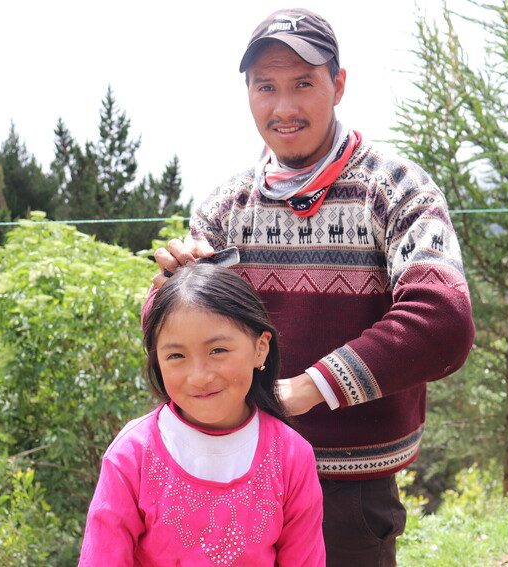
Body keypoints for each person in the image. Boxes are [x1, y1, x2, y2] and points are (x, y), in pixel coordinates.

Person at [152, 7, 476, 566]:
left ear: (339, 84)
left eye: (303, 83)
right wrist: (167, 290)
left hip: (346, 493)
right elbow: (172, 334)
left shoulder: (393, 187)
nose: (284, 107)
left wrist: (307, 389)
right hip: (232, 474)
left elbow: (443, 321)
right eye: (266, 87)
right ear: (247, 94)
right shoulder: (227, 207)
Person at [79, 263, 325, 566]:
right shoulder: (132, 455)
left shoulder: (291, 455)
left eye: (218, 350)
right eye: (176, 356)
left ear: (260, 348)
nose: (199, 376)